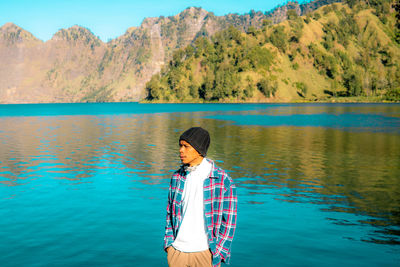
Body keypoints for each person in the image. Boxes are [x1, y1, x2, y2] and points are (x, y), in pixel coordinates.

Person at [164, 127, 237, 267]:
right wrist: (169, 244)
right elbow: (170, 213)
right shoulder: (176, 177)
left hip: (205, 254)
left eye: (186, 146)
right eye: (180, 145)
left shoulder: (222, 180)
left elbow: (229, 221)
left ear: (199, 149)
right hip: (177, 252)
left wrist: (219, 252)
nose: (181, 150)